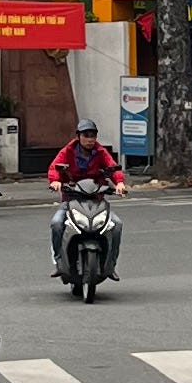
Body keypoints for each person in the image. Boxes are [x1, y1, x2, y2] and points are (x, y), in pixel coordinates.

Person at [48, 115, 125, 274]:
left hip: (97, 200)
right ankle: (59, 261)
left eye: (93, 136)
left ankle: (110, 265)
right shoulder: (68, 151)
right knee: (56, 224)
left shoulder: (101, 152)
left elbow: (113, 168)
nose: (90, 140)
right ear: (78, 136)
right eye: (86, 136)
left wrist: (119, 183)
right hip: (71, 199)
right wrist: (55, 181)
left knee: (117, 225)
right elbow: (54, 168)